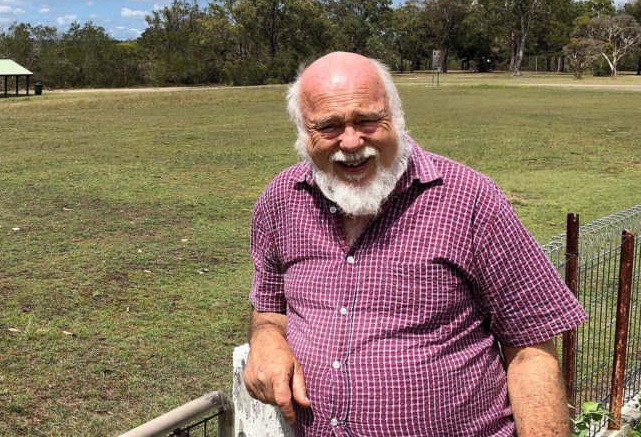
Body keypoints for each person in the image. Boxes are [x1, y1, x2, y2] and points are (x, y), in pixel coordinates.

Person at [244, 52, 586, 437]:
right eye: (328, 126)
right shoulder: (280, 201)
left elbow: (530, 351)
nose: (352, 142)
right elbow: (269, 309)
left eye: (368, 120)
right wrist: (266, 337)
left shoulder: (470, 199)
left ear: (397, 117)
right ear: (304, 135)